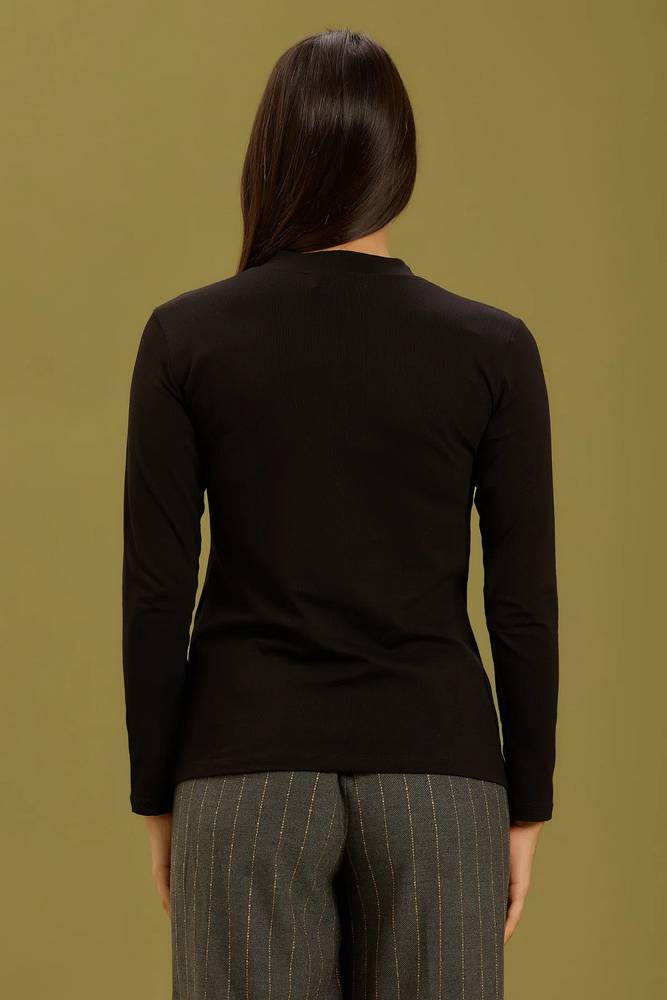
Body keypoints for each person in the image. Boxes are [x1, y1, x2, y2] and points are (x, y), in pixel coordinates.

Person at [122, 28, 559, 1000]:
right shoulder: (492, 349)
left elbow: (157, 594)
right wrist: (524, 806)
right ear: (399, 161)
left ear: (271, 154)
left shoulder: (186, 338)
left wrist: (159, 796)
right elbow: (522, 603)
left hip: (244, 777)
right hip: (438, 781)